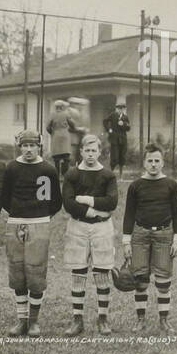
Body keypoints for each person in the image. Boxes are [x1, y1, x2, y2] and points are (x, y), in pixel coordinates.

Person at [1, 129, 62, 337]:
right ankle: (21, 320)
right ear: (20, 146)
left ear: (39, 146)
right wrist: (19, 214)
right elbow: (5, 198)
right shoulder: (12, 168)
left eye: (32, 145)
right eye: (25, 145)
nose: (28, 149)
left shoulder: (48, 169)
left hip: (40, 222)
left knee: (36, 272)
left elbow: (56, 202)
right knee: (17, 272)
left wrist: (39, 217)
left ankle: (34, 321)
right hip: (16, 222)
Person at [61, 135, 119, 336]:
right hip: (78, 225)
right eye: (87, 150)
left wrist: (85, 199)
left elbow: (111, 202)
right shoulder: (72, 174)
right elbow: (68, 202)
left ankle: (103, 318)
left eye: (94, 150)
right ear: (81, 152)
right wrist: (92, 211)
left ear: (100, 152)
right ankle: (77, 319)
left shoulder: (108, 175)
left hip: (102, 227)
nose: (91, 154)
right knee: (78, 272)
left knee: (102, 272)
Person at [122, 145, 177, 332]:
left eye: (157, 161)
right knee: (140, 279)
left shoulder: (171, 185)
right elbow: (129, 214)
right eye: (150, 160)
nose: (154, 164)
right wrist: (126, 241)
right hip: (140, 234)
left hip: (164, 235)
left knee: (163, 279)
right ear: (144, 163)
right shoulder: (136, 186)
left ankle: (163, 320)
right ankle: (140, 319)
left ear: (163, 163)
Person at [46, 99, 83, 177]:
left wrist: (52, 132)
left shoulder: (52, 115)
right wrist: (72, 129)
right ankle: (65, 174)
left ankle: (57, 174)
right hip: (65, 135)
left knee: (56, 158)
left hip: (56, 135)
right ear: (62, 107)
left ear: (56, 107)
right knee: (66, 156)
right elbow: (72, 124)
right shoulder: (66, 114)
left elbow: (48, 127)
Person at [103, 102, 131, 176]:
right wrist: (109, 129)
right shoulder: (113, 115)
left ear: (124, 109)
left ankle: (121, 175)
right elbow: (105, 121)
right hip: (114, 139)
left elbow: (128, 128)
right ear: (117, 109)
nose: (121, 110)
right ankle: (111, 174)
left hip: (123, 139)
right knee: (114, 157)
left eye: (122, 108)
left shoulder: (125, 117)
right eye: (119, 108)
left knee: (122, 157)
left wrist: (123, 124)